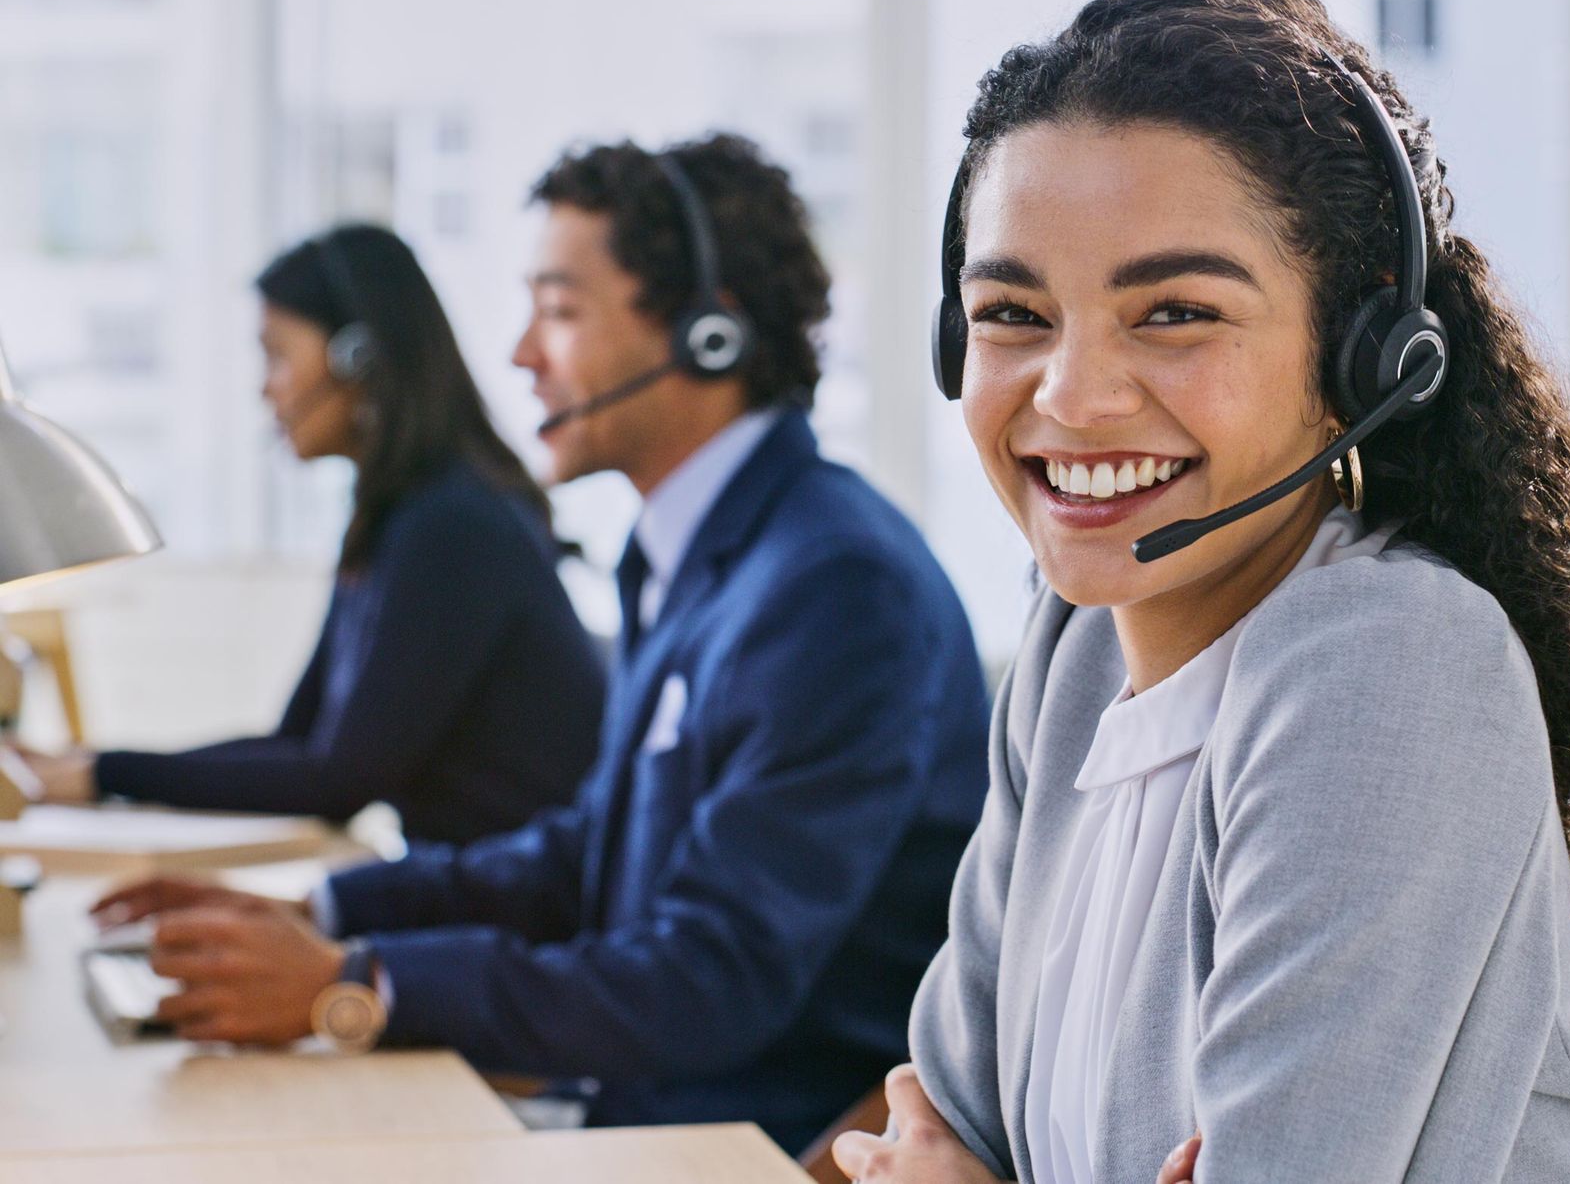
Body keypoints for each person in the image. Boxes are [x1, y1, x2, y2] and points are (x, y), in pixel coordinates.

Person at [835, 0, 1570, 1183]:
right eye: (1013, 312)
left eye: (1174, 311)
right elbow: (940, 1112)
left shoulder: (1388, 664)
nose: (1069, 395)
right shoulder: (1073, 646)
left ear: (1368, 354)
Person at [93, 134, 990, 1153]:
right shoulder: (689, 554)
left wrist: (358, 986)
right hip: (634, 1106)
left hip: (732, 1143)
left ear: (709, 336)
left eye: (560, 312)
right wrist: (324, 910)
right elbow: (584, 853)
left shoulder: (834, 587)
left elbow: (706, 980)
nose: (521, 353)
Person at [14, 224, 603, 846]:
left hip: (508, 913)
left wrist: (104, 776)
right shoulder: (395, 517)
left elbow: (337, 780)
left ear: (360, 360)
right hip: (456, 893)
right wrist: (94, 766)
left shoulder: (453, 527)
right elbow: (298, 740)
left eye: (277, 354)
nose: (266, 386)